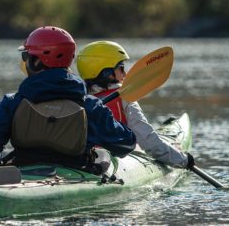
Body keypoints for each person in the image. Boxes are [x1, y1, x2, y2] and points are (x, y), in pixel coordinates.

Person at [0, 27, 136, 173]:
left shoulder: (11, 102)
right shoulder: (91, 106)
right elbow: (126, 144)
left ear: (37, 62)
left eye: (26, 56)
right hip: (75, 173)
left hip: (22, 174)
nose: (25, 61)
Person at [76, 41, 193, 169]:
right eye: (121, 68)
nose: (125, 74)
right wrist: (184, 160)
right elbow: (148, 141)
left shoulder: (78, 98)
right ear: (107, 73)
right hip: (115, 163)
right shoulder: (124, 98)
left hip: (81, 160)